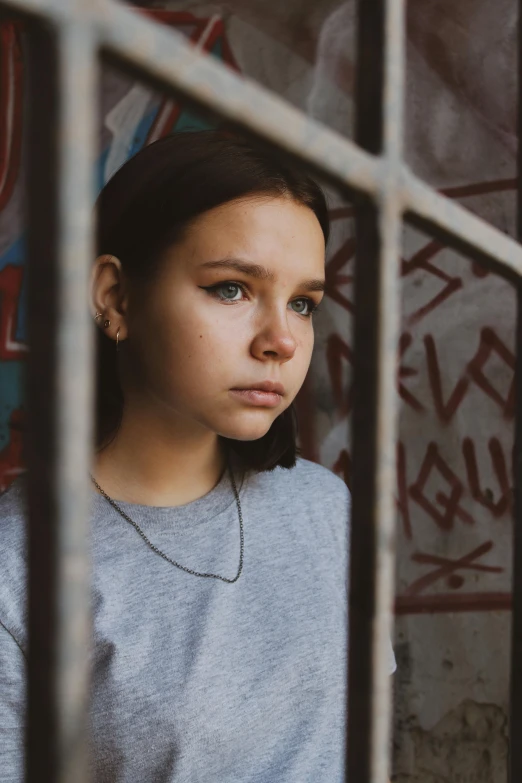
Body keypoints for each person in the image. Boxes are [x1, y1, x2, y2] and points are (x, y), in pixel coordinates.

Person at [0, 129, 395, 782]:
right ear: (115, 296)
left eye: (302, 303)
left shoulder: (324, 506)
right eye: (233, 288)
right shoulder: (18, 568)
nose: (281, 340)